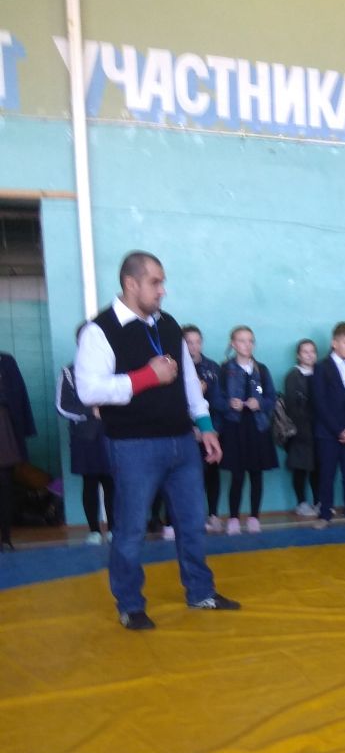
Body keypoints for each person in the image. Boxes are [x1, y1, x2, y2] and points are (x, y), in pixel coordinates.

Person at [74, 250, 239, 629]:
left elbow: (187, 380)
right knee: (131, 530)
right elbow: (89, 390)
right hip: (133, 447)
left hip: (182, 442)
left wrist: (205, 425)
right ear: (131, 283)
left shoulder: (169, 325)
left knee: (192, 523)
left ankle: (201, 591)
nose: (163, 290)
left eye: (162, 282)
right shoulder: (99, 330)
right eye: (155, 282)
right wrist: (147, 377)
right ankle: (130, 604)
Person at [56, 336, 115, 545]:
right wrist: (90, 412)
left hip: (111, 434)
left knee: (112, 483)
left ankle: (113, 529)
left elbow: (123, 397)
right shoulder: (68, 372)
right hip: (85, 437)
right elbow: (62, 407)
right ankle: (94, 530)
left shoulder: (111, 369)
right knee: (90, 483)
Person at [219, 325, 278, 535]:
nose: (247, 345)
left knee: (256, 474)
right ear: (233, 344)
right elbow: (217, 399)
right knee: (237, 475)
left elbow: (272, 397)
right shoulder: (225, 369)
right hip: (235, 427)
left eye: (250, 341)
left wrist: (259, 403)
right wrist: (229, 403)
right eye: (242, 341)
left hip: (257, 426)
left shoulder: (261, 369)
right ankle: (234, 518)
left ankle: (254, 517)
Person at [312, 321, 345, 529]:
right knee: (327, 475)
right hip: (328, 432)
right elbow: (320, 403)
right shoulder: (321, 367)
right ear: (334, 343)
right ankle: (325, 515)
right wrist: (338, 430)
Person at [183, 324, 226, 532]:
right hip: (186, 433)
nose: (193, 346)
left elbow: (219, 402)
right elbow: (175, 404)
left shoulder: (212, 368)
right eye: (189, 342)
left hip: (210, 430)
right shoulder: (176, 367)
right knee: (189, 477)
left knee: (212, 473)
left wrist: (212, 429)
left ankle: (213, 515)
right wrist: (191, 429)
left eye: (197, 342)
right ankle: (191, 517)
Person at [0, 351, 36, 552]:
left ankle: (5, 537)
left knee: (5, 484)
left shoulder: (6, 361)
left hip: (4, 429)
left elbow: (19, 395)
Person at [284, 337, 319, 517]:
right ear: (298, 355)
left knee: (318, 467)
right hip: (301, 430)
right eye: (305, 352)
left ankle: (319, 501)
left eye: (312, 351)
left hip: (320, 429)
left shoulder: (321, 373)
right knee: (301, 467)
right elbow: (292, 405)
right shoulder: (293, 376)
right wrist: (303, 427)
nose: (309, 355)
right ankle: (301, 503)